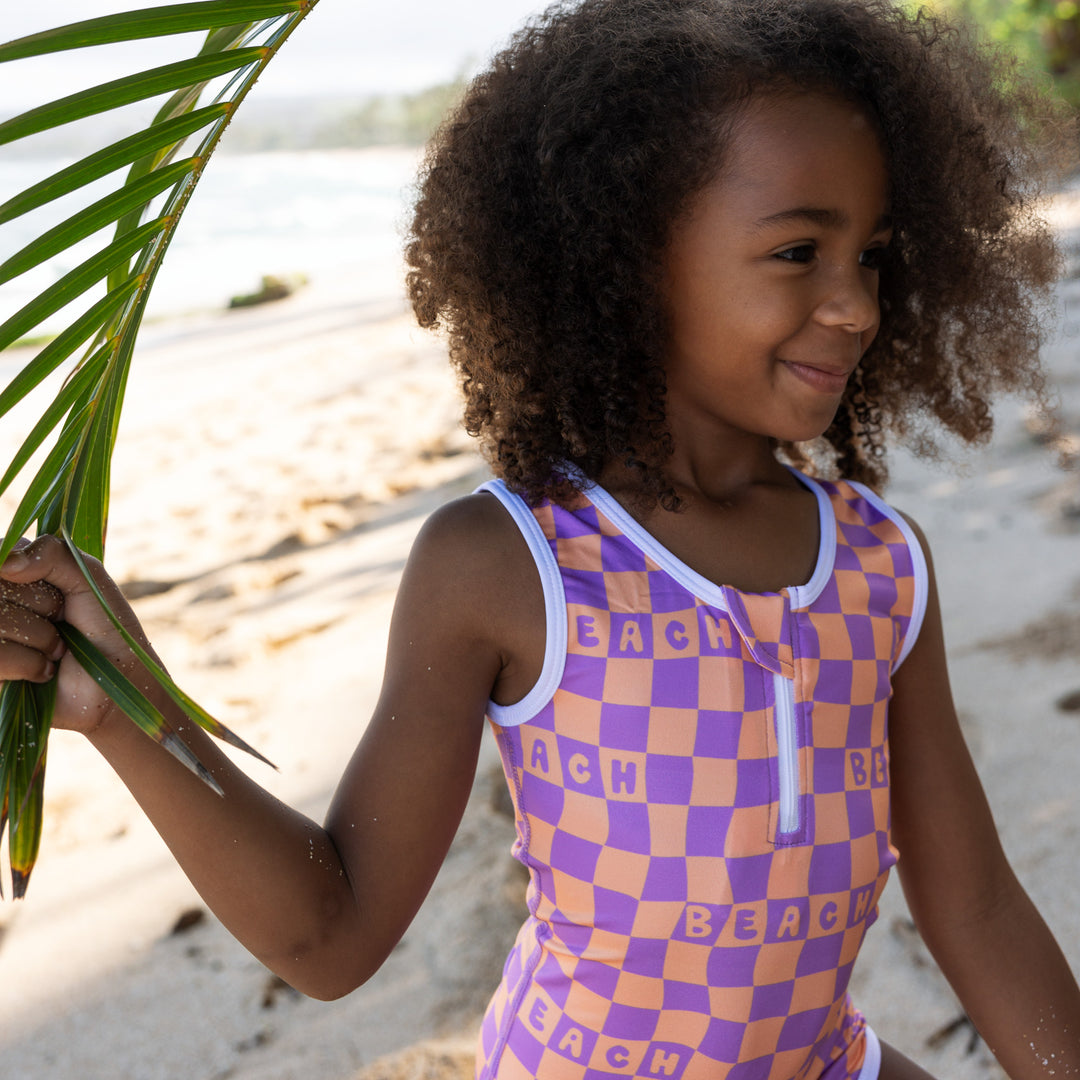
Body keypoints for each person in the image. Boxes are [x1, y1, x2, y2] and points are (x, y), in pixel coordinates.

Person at [1, 1, 1078, 1077]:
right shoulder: (508, 567)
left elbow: (975, 905)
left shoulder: (884, 566)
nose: (854, 306)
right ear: (627, 257)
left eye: (875, 256)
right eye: (799, 250)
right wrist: (127, 711)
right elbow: (332, 934)